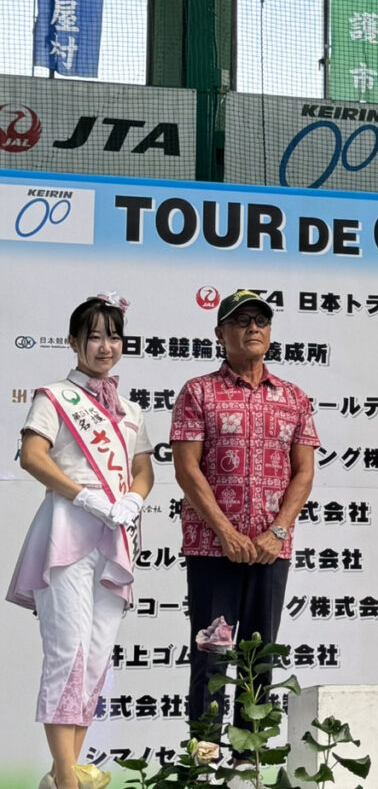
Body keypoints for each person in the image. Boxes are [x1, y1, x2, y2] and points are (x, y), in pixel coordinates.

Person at [7, 293, 154, 789]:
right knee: (67, 652)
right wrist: (83, 496)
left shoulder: (131, 411)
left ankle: (62, 774)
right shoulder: (53, 397)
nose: (105, 346)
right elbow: (32, 455)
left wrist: (133, 498)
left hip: (114, 537)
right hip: (67, 532)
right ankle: (68, 779)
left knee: (95, 657)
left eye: (113, 337)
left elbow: (143, 469)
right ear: (73, 342)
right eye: (94, 336)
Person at [170, 290, 319, 757]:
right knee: (212, 656)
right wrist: (226, 532)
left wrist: (277, 531)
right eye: (240, 321)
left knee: (260, 658)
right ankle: (204, 763)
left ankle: (248, 763)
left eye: (261, 320)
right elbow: (186, 469)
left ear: (270, 333)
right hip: (213, 548)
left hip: (272, 550)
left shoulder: (294, 398)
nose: (252, 328)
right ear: (220, 334)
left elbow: (304, 472)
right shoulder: (198, 391)